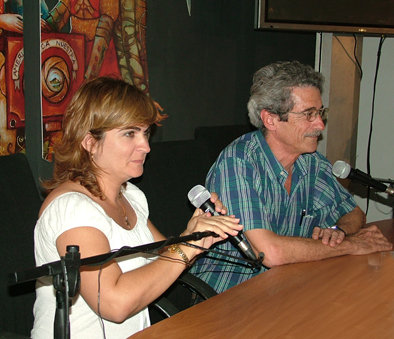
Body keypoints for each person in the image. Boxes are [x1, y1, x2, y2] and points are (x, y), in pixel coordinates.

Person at [31, 77, 242, 338]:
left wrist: (197, 233)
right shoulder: (71, 209)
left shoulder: (130, 195)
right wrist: (188, 246)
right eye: (130, 133)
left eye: (145, 132)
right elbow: (114, 304)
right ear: (90, 142)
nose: (146, 146)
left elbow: (166, 260)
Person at [190, 60, 392, 293]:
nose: (320, 125)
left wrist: (337, 233)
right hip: (232, 296)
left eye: (320, 112)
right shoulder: (238, 163)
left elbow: (353, 213)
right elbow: (269, 253)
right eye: (309, 114)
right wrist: (349, 245)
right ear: (271, 119)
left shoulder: (311, 162)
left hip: (291, 284)